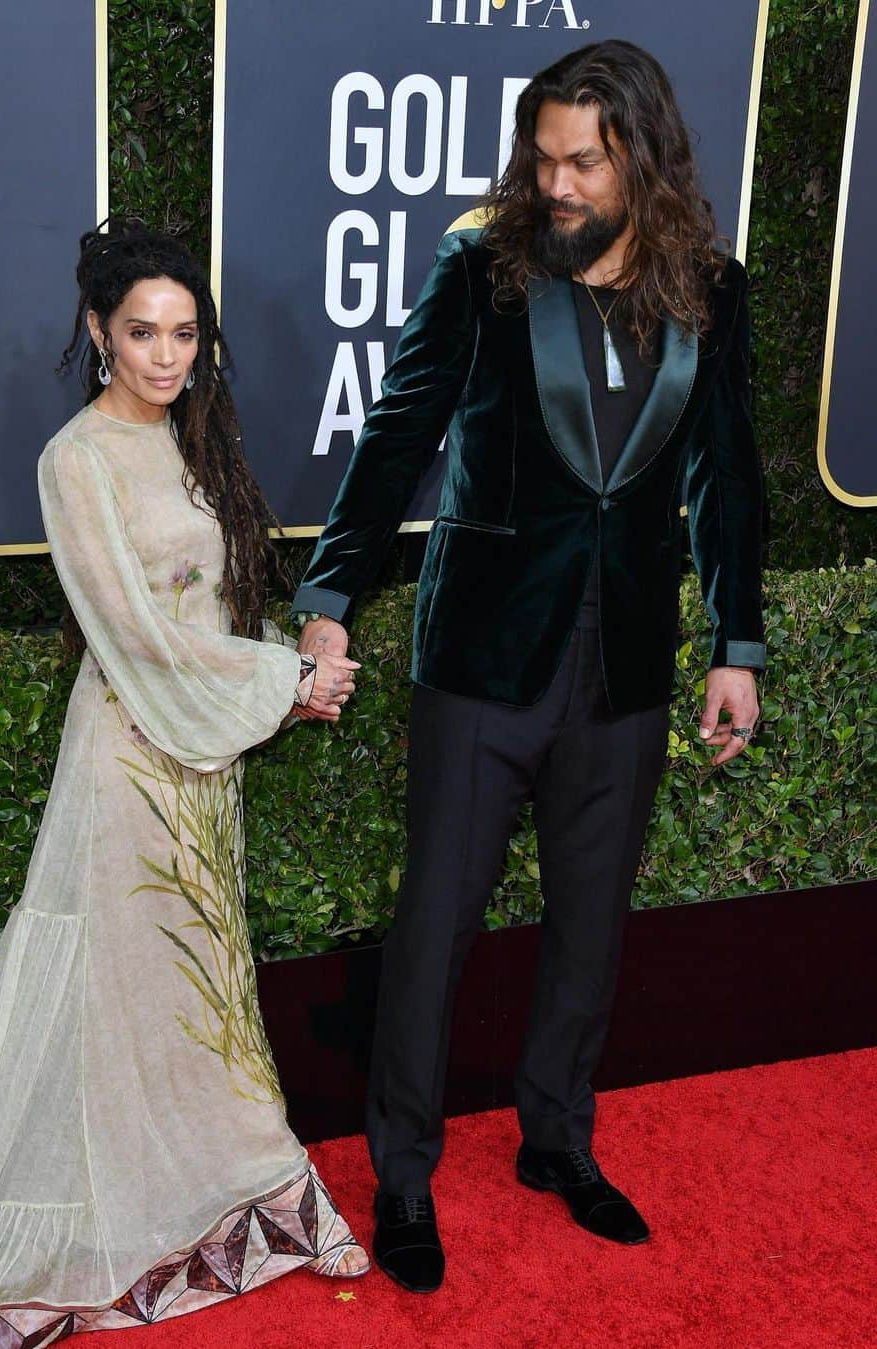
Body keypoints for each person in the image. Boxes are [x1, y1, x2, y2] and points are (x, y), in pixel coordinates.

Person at [0, 222, 367, 1349]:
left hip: (204, 762)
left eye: (185, 333)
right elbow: (138, 634)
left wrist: (290, 665)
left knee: (204, 991)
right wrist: (288, 675)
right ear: (99, 332)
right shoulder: (76, 459)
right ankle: (120, 1211)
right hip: (125, 763)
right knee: (108, 1000)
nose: (166, 356)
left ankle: (258, 1193)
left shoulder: (197, 442)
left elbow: (207, 609)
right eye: (143, 332)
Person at [291, 40, 764, 1294]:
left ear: (641, 159)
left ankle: (558, 1138)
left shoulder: (709, 289)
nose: (554, 184)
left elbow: (728, 476)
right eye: (542, 157)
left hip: (624, 662)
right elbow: (398, 432)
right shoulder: (483, 269)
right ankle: (403, 1172)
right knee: (436, 924)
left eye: (581, 162)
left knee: (590, 928)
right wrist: (333, 592)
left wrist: (739, 642)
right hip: (483, 657)